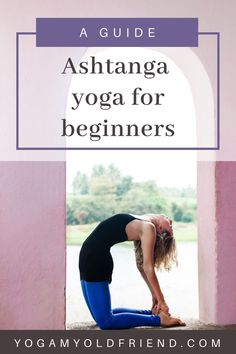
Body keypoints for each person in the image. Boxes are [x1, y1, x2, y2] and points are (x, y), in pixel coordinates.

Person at [78, 213, 185, 329]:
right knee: (100, 317)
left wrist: (161, 300)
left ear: (160, 229)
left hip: (95, 258)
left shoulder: (149, 228)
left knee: (106, 322)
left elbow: (147, 268)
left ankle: (158, 319)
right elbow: (141, 266)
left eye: (170, 228)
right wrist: (154, 294)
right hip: (87, 256)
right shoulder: (143, 221)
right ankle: (153, 314)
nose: (171, 223)